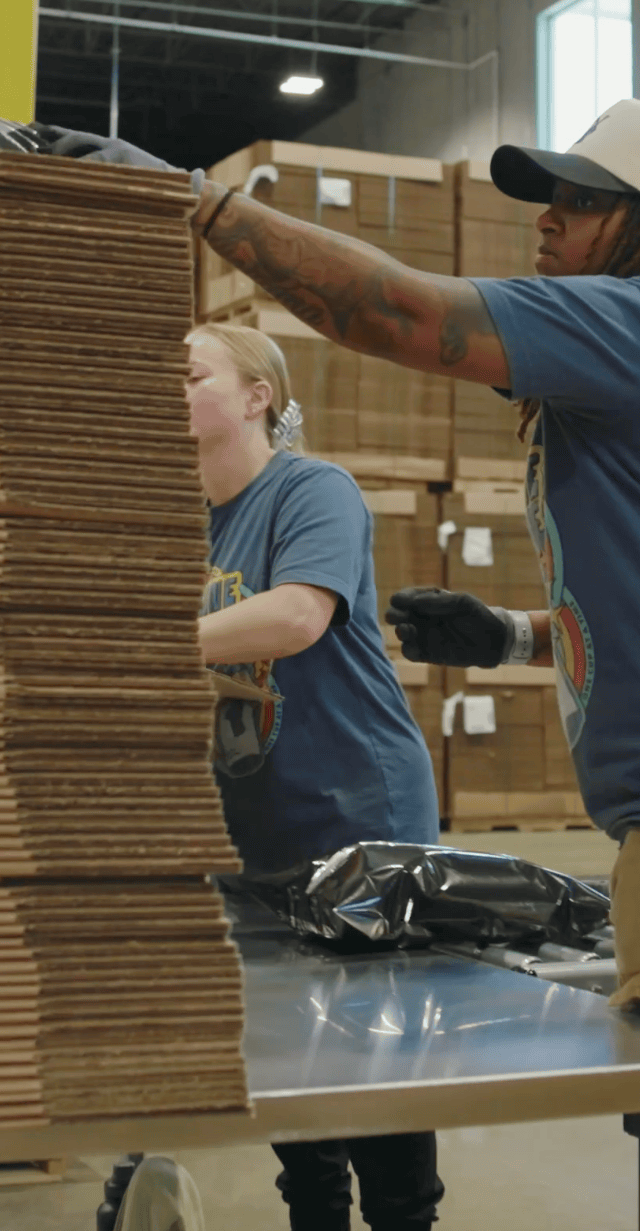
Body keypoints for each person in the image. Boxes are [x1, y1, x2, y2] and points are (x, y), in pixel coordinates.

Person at [51, 100, 640, 1231]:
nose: (546, 221)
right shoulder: (639, 372)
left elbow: (397, 313)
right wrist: (508, 636)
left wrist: (200, 202)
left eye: (581, 202)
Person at [185, 321, 446, 1231]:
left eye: (190, 376)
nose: (167, 393)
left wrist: (134, 636)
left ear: (257, 397)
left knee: (378, 1056)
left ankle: (406, 1220)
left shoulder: (312, 489)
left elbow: (297, 616)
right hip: (253, 823)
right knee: (292, 1052)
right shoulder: (183, 518)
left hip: (355, 810)